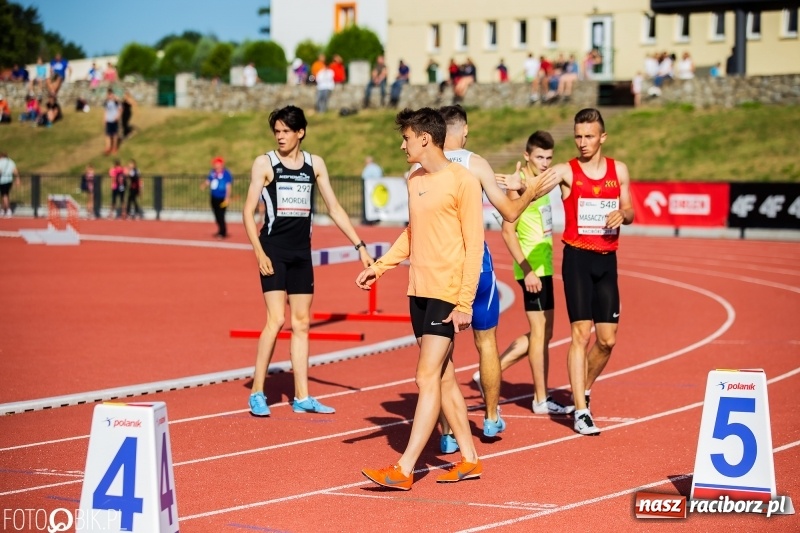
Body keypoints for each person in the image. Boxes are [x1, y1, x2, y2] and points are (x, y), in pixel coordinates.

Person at [356, 107, 484, 490]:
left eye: (406, 138)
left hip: (447, 293)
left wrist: (465, 302)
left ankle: (405, 467)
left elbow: (474, 246)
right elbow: (412, 234)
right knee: (443, 379)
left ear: (425, 138)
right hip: (418, 291)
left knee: (425, 375)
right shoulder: (414, 179)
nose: (402, 145)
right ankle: (470, 459)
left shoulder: (463, 181)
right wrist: (379, 267)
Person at [432, 105, 554, 451]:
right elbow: (511, 213)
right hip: (476, 264)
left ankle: (447, 432)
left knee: (443, 351)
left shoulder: (422, 165)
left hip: (441, 266)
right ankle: (488, 417)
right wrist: (524, 188)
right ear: (464, 130)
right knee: (486, 342)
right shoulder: (475, 163)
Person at [242, 105, 373, 418]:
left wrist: (359, 246)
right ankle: (258, 391)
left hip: (302, 253)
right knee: (276, 320)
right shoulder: (265, 163)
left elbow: (335, 208)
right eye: (277, 132)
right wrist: (259, 253)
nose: (281, 137)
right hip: (273, 251)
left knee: (301, 324)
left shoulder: (314, 164)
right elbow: (247, 212)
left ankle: (302, 396)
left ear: (300, 132)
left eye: (286, 131)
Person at [518, 108, 634, 436]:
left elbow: (631, 210)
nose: (582, 142)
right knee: (580, 333)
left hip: (607, 261)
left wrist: (622, 215)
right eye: (578, 136)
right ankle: (581, 412)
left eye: (589, 136)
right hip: (577, 260)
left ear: (602, 137)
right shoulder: (567, 171)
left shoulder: (618, 170)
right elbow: (538, 184)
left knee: (607, 340)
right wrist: (518, 183)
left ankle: (581, 389)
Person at [487, 131, 575, 416]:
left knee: (545, 333)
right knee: (539, 334)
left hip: (544, 267)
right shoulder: (519, 186)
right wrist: (527, 271)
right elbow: (507, 232)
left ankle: (491, 370)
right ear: (527, 156)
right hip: (531, 270)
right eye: (539, 157)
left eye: (549, 158)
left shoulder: (542, 182)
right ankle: (540, 398)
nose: (545, 163)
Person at [202, 156, 232, 238]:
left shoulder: (226, 173)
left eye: (217, 164)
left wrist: (227, 197)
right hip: (214, 197)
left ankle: (223, 232)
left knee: (221, 215)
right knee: (216, 215)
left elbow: (228, 186)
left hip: (222, 198)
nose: (216, 166)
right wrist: (204, 185)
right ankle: (220, 230)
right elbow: (208, 180)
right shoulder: (213, 172)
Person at [0, 151, 21, 218]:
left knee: (4, 195)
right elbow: (15, 170)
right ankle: (4, 209)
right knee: (5, 195)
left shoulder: (1, 162)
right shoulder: (10, 162)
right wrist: (18, 179)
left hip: (2, 180)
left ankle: (7, 209)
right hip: (9, 180)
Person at [103, 89, 121, 155]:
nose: (109, 96)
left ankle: (114, 147)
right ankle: (108, 147)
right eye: (108, 95)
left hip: (114, 120)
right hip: (108, 120)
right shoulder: (106, 102)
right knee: (107, 135)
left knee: (114, 135)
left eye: (111, 94)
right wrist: (104, 119)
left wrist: (117, 117)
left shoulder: (116, 102)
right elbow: (105, 111)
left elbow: (120, 109)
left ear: (112, 94)